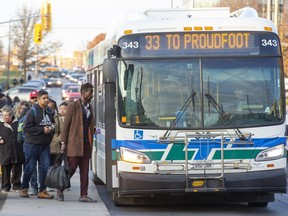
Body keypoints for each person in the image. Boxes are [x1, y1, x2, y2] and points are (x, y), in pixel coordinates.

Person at [59, 83, 96, 202]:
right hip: (74, 144)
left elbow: (90, 124)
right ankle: (61, 188)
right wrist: (63, 143)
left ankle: (83, 195)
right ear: (84, 93)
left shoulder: (90, 107)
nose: (92, 95)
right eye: (90, 93)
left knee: (85, 171)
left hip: (86, 144)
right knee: (71, 168)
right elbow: (66, 126)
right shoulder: (73, 106)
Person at [19, 90, 55, 199]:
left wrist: (51, 130)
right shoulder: (32, 111)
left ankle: (42, 190)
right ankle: (24, 188)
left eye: (47, 98)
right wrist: (42, 130)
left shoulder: (50, 111)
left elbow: (53, 124)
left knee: (45, 167)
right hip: (32, 144)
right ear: (38, 99)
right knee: (30, 167)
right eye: (44, 98)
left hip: (45, 145)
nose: (46, 100)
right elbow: (26, 128)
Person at [0, 106, 25, 192]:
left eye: (7, 115)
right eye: (3, 115)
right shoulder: (1, 124)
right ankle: (5, 186)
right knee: (5, 169)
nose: (5, 117)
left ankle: (16, 185)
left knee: (17, 168)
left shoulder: (18, 123)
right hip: (5, 150)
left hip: (17, 149)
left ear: (11, 115)